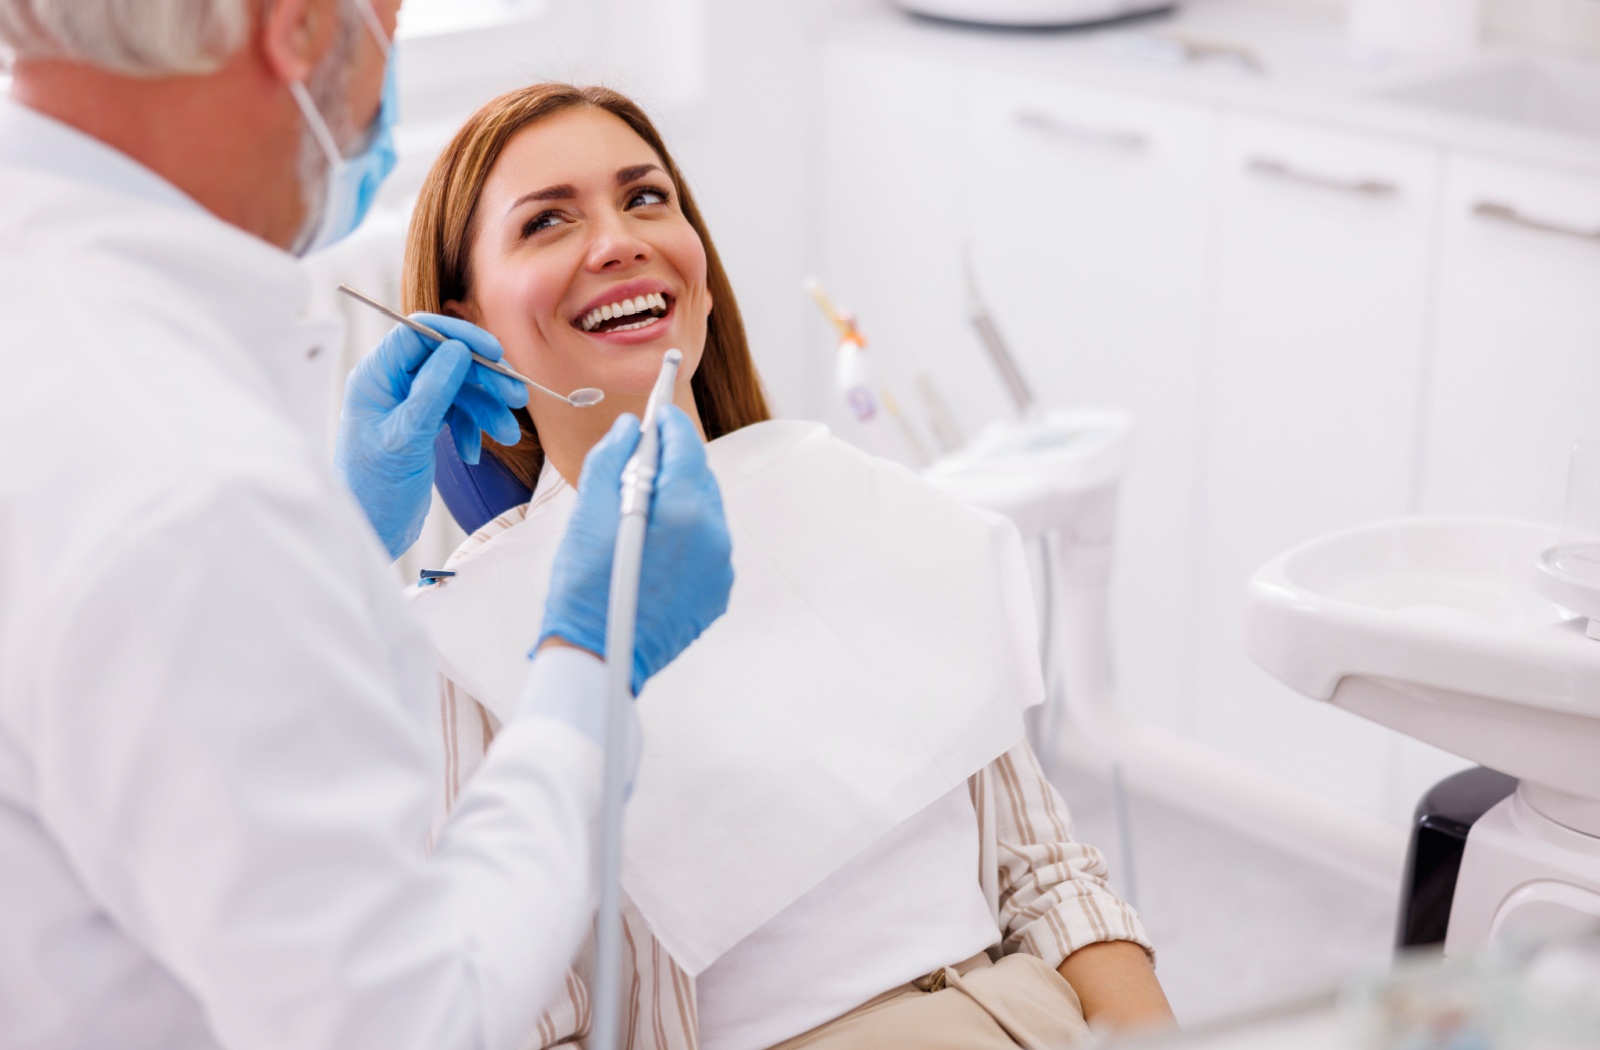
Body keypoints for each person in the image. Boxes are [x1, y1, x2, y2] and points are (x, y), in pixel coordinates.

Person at [0, 3, 734, 1048]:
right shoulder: (195, 493)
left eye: (645, 198)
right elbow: (401, 1016)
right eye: (388, 21)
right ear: (298, 29)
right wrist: (591, 665)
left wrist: (338, 529)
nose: (616, 246)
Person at [406, 83, 1177, 1050]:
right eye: (547, 221)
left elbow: (1046, 869)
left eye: (646, 198)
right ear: (463, 328)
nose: (616, 240)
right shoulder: (471, 631)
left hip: (1029, 1014)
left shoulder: (851, 504)